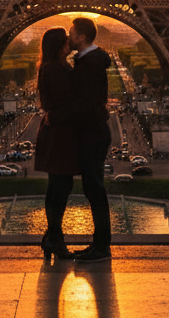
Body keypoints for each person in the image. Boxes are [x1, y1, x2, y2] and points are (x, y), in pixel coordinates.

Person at [48, 16, 113, 263]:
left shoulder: (90, 64)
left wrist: (55, 116)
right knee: (94, 190)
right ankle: (99, 244)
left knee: (95, 190)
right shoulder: (89, 61)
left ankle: (101, 246)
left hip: (92, 135)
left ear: (82, 37)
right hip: (92, 133)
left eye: (72, 33)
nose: (69, 37)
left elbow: (86, 104)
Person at [33, 27, 78, 259]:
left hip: (56, 133)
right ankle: (55, 239)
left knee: (57, 188)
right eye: (66, 42)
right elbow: (65, 105)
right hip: (59, 135)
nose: (70, 44)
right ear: (60, 46)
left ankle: (52, 237)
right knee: (60, 189)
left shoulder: (50, 67)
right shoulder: (56, 70)